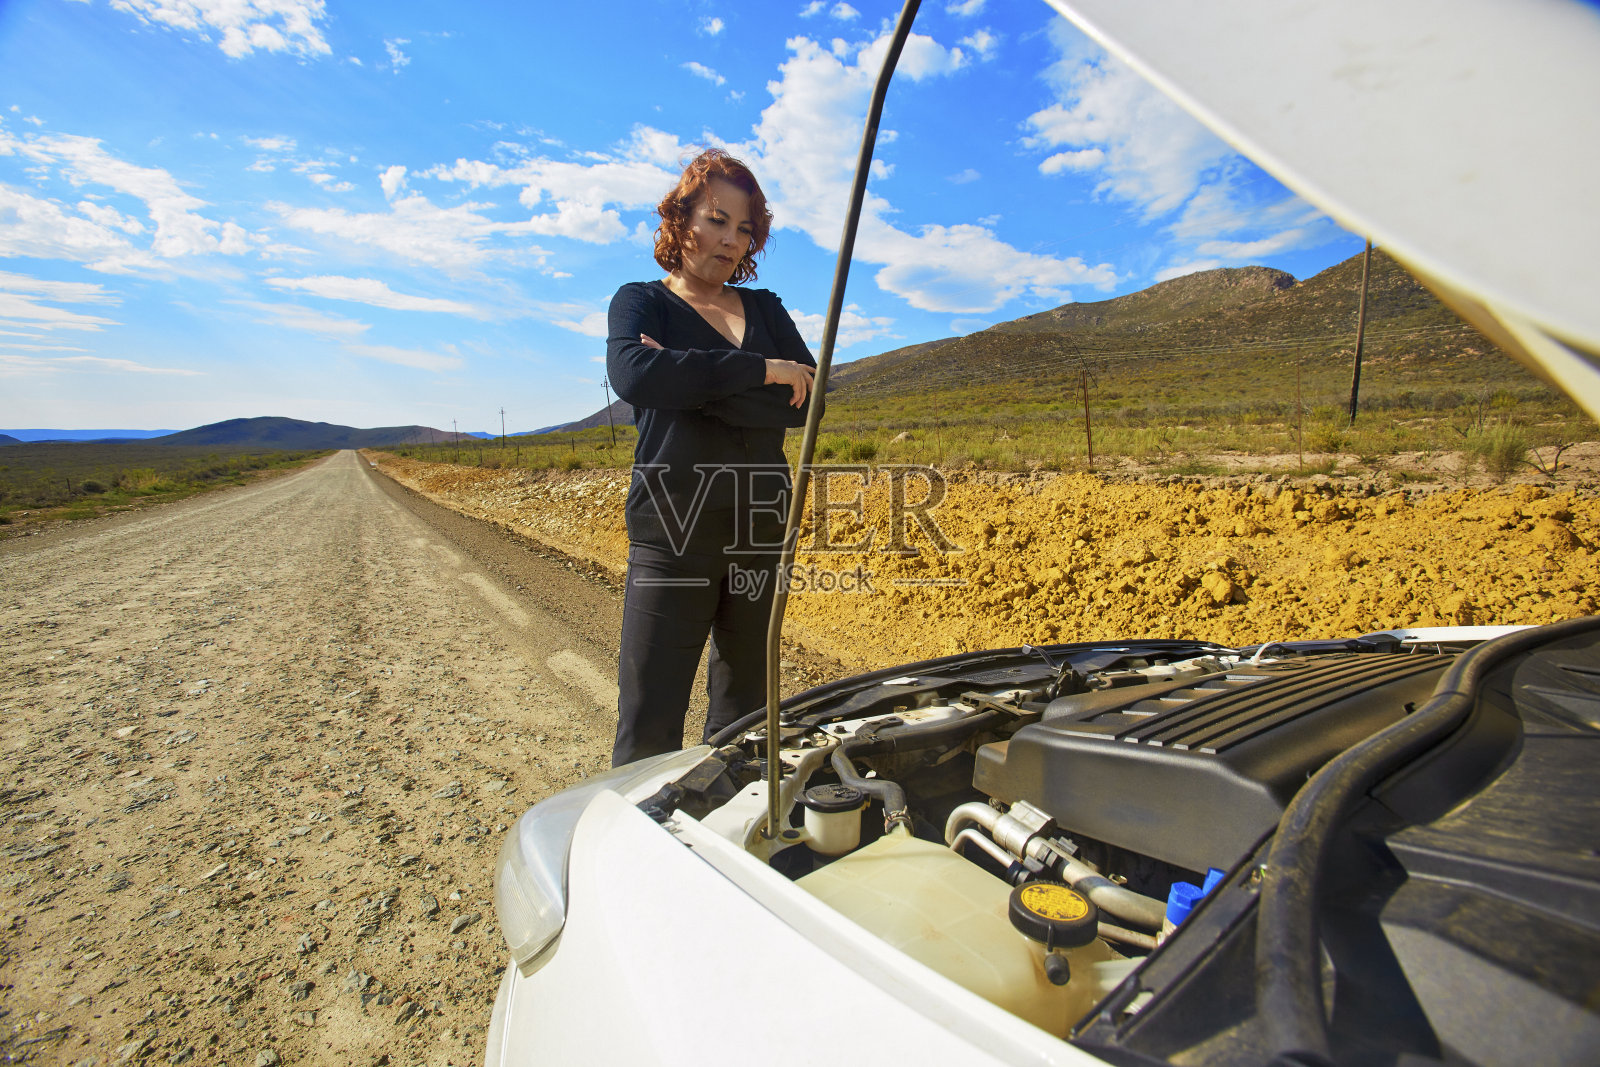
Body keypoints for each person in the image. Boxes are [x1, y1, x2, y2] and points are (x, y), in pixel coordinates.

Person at [605, 148, 818, 767]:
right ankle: (637, 846)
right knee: (649, 717)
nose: (730, 240)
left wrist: (694, 393)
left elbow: (808, 402)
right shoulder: (640, 302)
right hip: (672, 530)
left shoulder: (766, 308)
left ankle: (730, 834)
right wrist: (760, 373)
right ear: (681, 219)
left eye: (744, 228)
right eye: (717, 220)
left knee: (746, 711)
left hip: (761, 524)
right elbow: (636, 375)